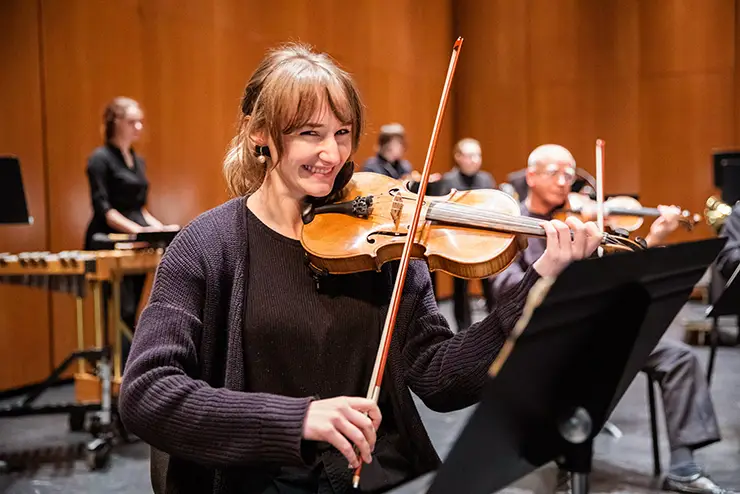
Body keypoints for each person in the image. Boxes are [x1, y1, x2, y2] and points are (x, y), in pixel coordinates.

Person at [117, 44, 602, 494]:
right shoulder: (207, 245)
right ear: (259, 134)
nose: (333, 154)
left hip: (378, 475)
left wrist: (536, 289)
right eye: (311, 134)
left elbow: (440, 380)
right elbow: (147, 392)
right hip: (262, 481)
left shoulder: (385, 239)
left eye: (342, 133)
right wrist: (299, 419)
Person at [490, 144, 732, 494]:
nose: (564, 182)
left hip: (599, 327)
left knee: (679, 357)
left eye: (570, 175)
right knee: (570, 373)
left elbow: (620, 278)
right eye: (554, 172)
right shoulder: (510, 227)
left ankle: (683, 466)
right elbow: (506, 289)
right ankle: (561, 456)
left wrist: (653, 238)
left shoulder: (581, 223)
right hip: (546, 335)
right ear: (530, 176)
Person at [84, 96, 177, 371]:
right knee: (116, 313)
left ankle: (127, 369)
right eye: (131, 121)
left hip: (136, 240)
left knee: (131, 310)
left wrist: (158, 228)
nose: (138, 126)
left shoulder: (137, 160)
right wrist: (138, 232)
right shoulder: (99, 159)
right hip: (108, 240)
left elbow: (139, 208)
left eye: (140, 121)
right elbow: (104, 209)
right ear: (115, 124)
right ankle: (114, 371)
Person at [439, 138, 497, 330]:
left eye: (477, 155)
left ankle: (496, 326)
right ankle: (463, 331)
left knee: (490, 286)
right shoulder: (448, 180)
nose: (473, 160)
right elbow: (442, 213)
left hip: (484, 242)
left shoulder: (486, 179)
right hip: (460, 244)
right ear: (458, 157)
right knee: (460, 289)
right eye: (469, 155)